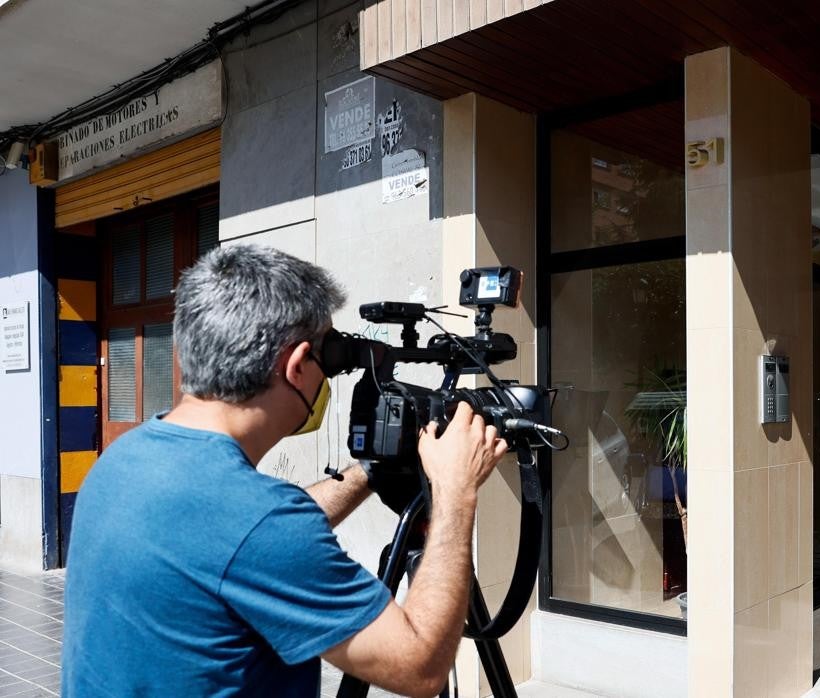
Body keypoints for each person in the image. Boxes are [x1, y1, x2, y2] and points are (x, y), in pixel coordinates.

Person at [62, 244, 507, 696]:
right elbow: (422, 667)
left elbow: (238, 538)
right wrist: (456, 490)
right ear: (296, 366)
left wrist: (369, 473)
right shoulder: (260, 525)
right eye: (329, 358)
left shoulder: (122, 458)